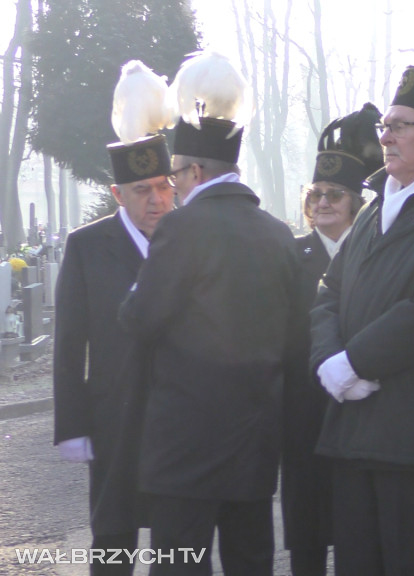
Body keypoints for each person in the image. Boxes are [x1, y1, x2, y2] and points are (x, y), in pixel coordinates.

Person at [118, 51, 302, 576]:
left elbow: (140, 319)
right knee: (251, 562)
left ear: (195, 169)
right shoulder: (278, 234)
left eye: (174, 175)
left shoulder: (183, 228)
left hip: (186, 448)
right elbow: (294, 342)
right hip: (255, 441)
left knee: (180, 564)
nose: (171, 186)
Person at [309, 66, 414, 576]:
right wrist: (326, 362)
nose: (387, 136)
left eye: (401, 125)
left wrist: (354, 361)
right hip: (354, 427)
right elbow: (328, 292)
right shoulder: (376, 205)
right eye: (386, 126)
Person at [53, 59, 175, 576]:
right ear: (118, 194)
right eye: (143, 190)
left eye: (163, 187)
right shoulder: (87, 246)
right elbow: (68, 341)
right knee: (115, 533)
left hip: (177, 413)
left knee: (176, 534)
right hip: (114, 415)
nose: (156, 200)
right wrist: (72, 424)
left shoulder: (188, 240)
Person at [282, 103, 380, 576]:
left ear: (356, 204)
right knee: (307, 534)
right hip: (303, 415)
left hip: (362, 413)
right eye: (316, 193)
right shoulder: (289, 256)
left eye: (335, 195)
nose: (322, 203)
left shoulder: (374, 256)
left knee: (358, 535)